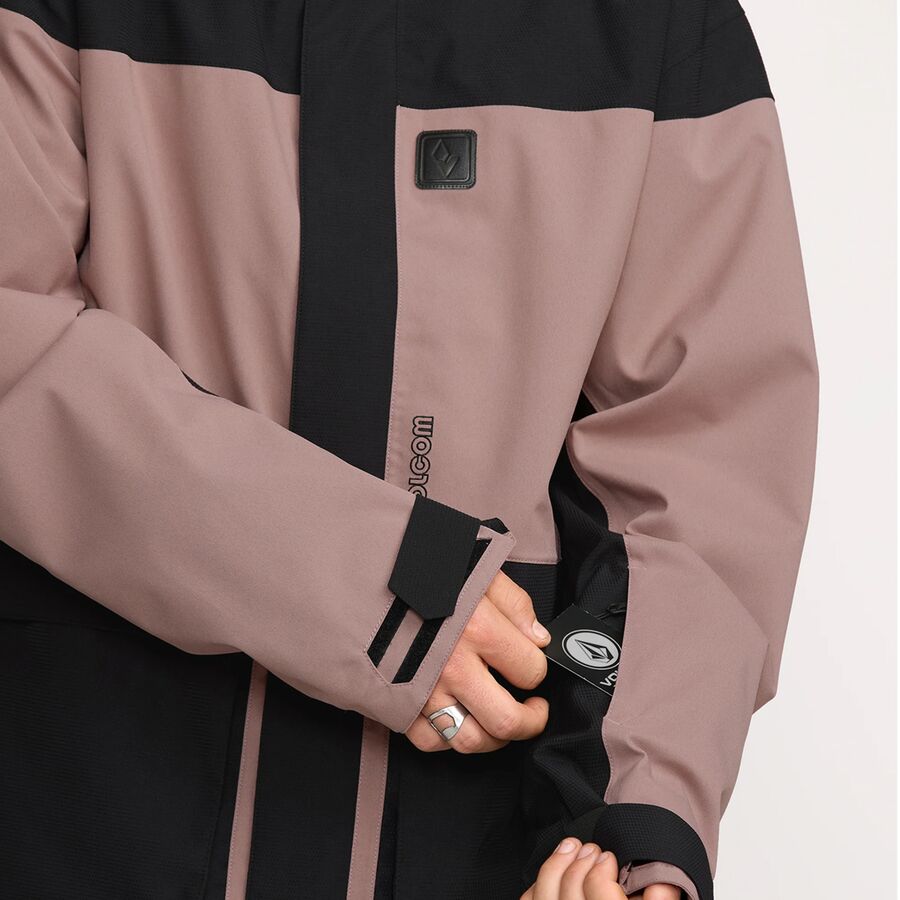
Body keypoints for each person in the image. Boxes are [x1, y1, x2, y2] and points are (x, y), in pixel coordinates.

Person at [0, 0, 817, 898]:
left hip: (485, 837)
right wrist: (387, 583)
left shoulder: (657, 24)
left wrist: (634, 837)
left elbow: (703, 466)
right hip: (81, 797)